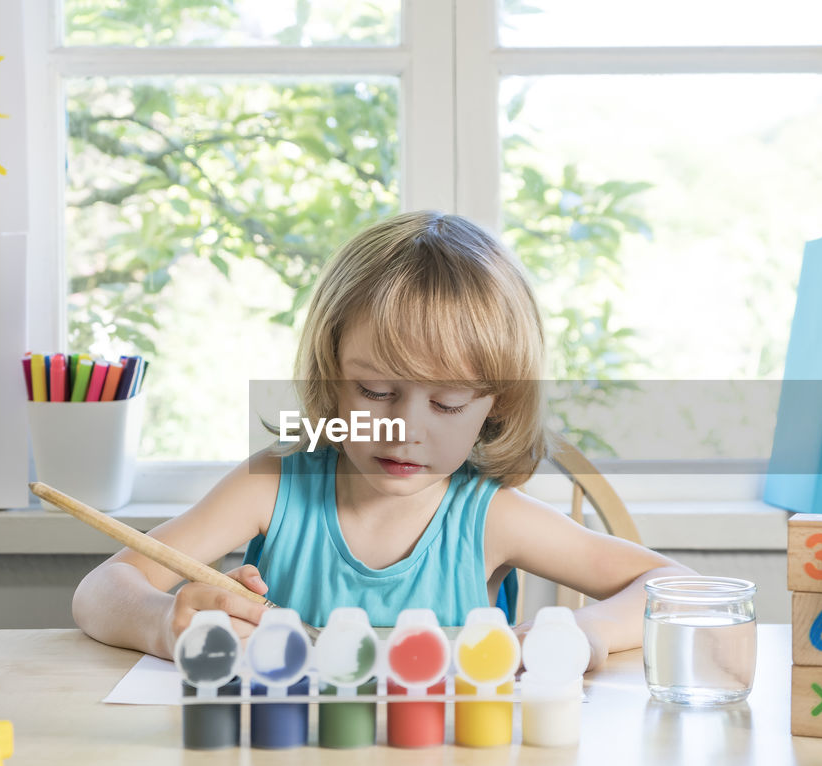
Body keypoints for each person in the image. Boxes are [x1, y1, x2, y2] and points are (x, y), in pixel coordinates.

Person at [72, 211, 693, 669]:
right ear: (331, 375)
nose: (404, 428)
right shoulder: (275, 485)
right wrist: (167, 623)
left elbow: (675, 588)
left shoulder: (489, 517)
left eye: (447, 402)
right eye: (374, 392)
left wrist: (583, 629)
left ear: (493, 403)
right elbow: (100, 592)